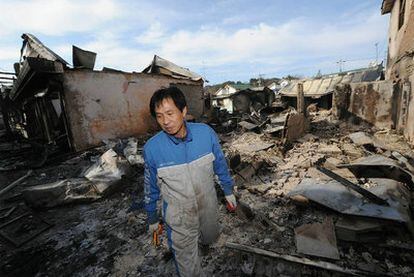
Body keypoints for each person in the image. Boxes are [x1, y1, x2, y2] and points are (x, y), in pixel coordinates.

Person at [143, 86, 237, 276]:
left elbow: (219, 163)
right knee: (187, 264)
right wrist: (152, 217)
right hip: (179, 215)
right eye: (159, 116)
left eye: (170, 113)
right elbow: (150, 186)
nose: (165, 122)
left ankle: (204, 244)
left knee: (210, 237)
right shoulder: (152, 148)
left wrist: (228, 190)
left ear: (184, 111)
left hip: (208, 204)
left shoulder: (206, 133)